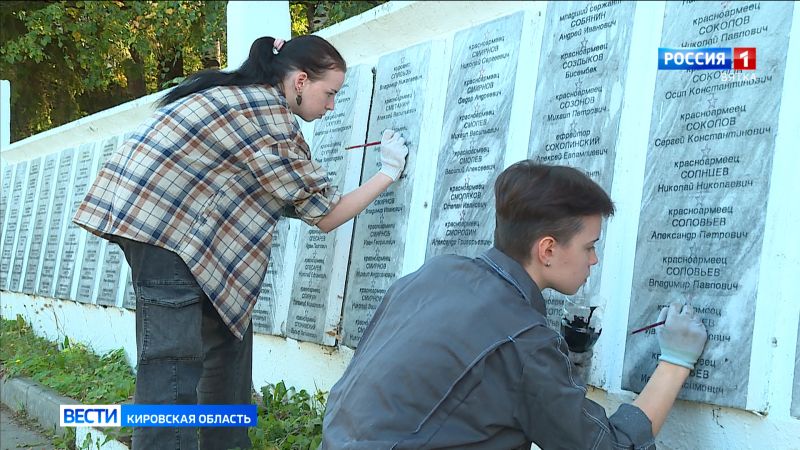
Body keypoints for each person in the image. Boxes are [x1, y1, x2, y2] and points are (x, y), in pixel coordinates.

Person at [73, 35, 408, 450]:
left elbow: (280, 195)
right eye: (330, 93)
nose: (332, 106)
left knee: (229, 338)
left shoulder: (243, 97)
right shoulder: (267, 117)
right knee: (171, 367)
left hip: (168, 230)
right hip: (165, 236)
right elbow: (326, 214)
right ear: (301, 81)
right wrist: (387, 173)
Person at [321, 161, 708, 449]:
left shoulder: (437, 272)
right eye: (589, 246)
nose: (594, 260)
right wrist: (675, 363)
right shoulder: (526, 342)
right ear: (548, 250)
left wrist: (566, 362)